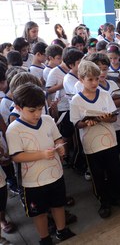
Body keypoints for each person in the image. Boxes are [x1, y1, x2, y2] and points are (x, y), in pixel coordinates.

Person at [6, 83, 75, 244]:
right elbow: (16, 156)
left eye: (40, 109)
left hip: (55, 174)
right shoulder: (14, 129)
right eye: (32, 110)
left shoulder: (47, 120)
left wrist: (60, 147)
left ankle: (61, 230)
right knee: (39, 213)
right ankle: (44, 238)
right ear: (18, 107)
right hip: (32, 182)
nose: (37, 114)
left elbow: (57, 137)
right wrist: (42, 154)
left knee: (58, 205)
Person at [70, 61, 120, 218]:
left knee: (115, 171)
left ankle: (117, 196)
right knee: (98, 174)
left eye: (97, 79)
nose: (94, 83)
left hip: (109, 141)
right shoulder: (76, 100)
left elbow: (113, 117)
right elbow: (77, 123)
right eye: (90, 79)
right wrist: (86, 122)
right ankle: (104, 201)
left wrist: (105, 118)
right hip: (91, 144)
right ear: (81, 79)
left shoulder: (105, 95)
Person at [85, 53, 120, 180]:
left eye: (105, 69)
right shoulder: (91, 87)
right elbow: (99, 108)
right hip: (104, 127)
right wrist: (113, 103)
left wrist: (113, 102)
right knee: (110, 154)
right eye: (98, 69)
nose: (102, 72)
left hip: (118, 123)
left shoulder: (112, 84)